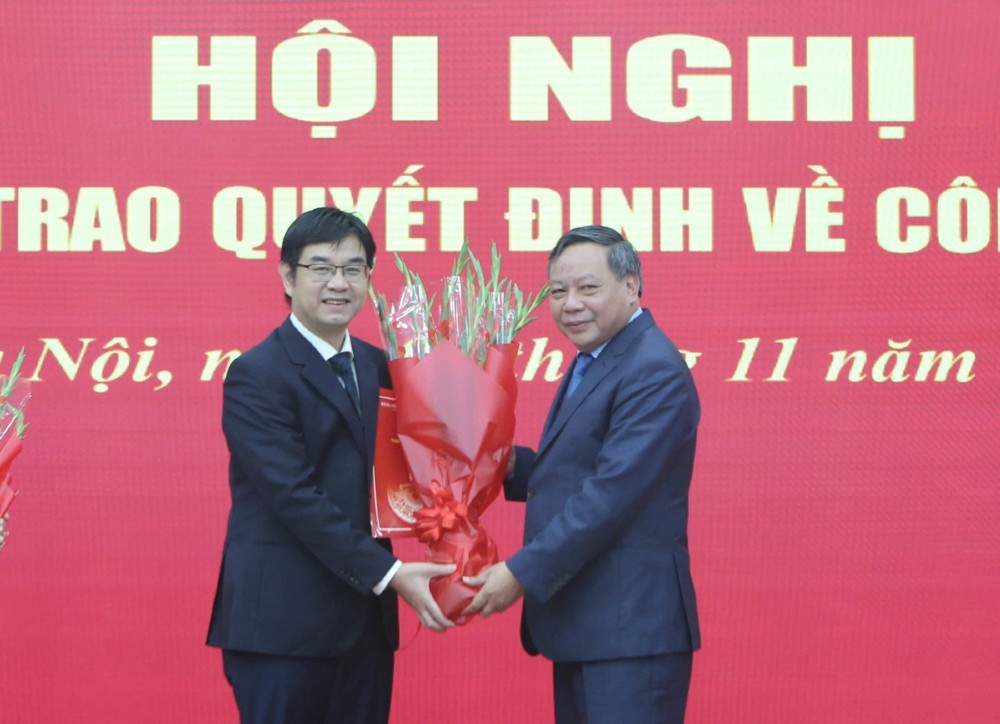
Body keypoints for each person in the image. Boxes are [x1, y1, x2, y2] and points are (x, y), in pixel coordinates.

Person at [206, 207, 455, 724]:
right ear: (288, 275)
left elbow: (432, 448)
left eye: (353, 268)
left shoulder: (377, 364)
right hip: (283, 628)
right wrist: (389, 573)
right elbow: (293, 496)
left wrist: (534, 471)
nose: (338, 283)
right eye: (321, 267)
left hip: (362, 626)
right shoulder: (257, 374)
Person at [464, 225, 701, 723]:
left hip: (630, 630)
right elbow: (580, 471)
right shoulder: (596, 359)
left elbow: (610, 496)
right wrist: (504, 464)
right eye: (558, 291)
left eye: (588, 288)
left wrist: (520, 572)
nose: (571, 304)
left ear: (631, 285)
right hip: (592, 626)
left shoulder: (651, 367)